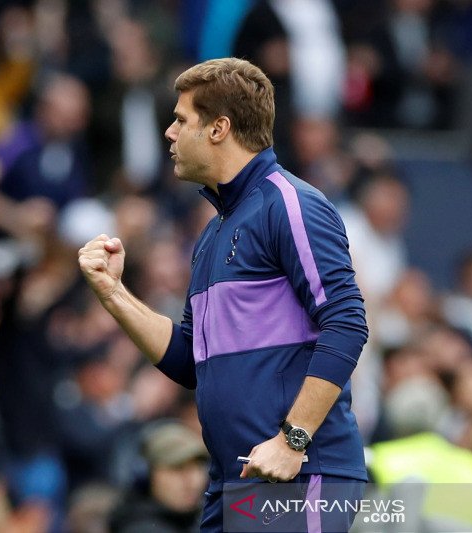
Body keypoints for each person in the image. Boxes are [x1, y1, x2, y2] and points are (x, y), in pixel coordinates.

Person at [78, 57, 369, 532]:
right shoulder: (212, 234)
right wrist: (114, 294)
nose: (169, 134)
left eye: (180, 120)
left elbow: (347, 323)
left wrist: (293, 441)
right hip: (233, 482)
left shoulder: (291, 204)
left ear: (219, 128)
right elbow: (190, 363)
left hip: (301, 475)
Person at [109, 421, 209, 533]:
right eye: (178, 468)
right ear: (146, 475)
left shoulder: (199, 518)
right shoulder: (141, 528)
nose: (194, 482)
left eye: (198, 468)